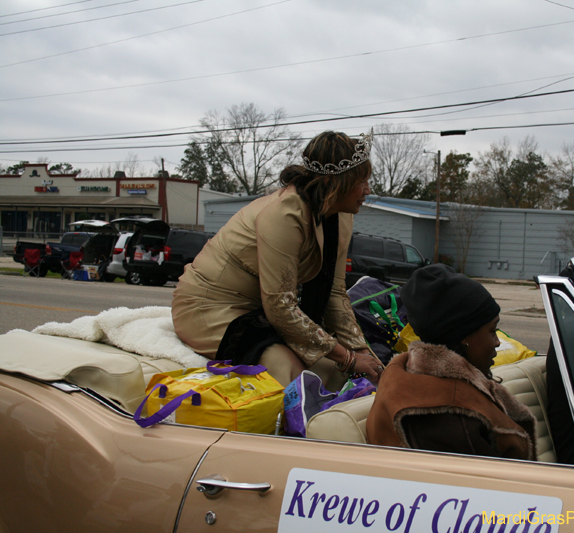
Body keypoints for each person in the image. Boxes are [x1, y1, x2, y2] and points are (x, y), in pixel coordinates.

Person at [172, 130, 384, 387]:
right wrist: (347, 358)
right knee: (292, 372)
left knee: (341, 373)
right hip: (210, 308)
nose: (368, 190)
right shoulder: (285, 213)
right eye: (362, 181)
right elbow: (280, 307)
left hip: (261, 311)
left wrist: (361, 352)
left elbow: (335, 293)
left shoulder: (342, 214)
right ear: (337, 183)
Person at [366, 264, 537, 460]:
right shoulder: (451, 414)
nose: (498, 342)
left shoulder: (403, 373)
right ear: (463, 337)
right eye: (492, 331)